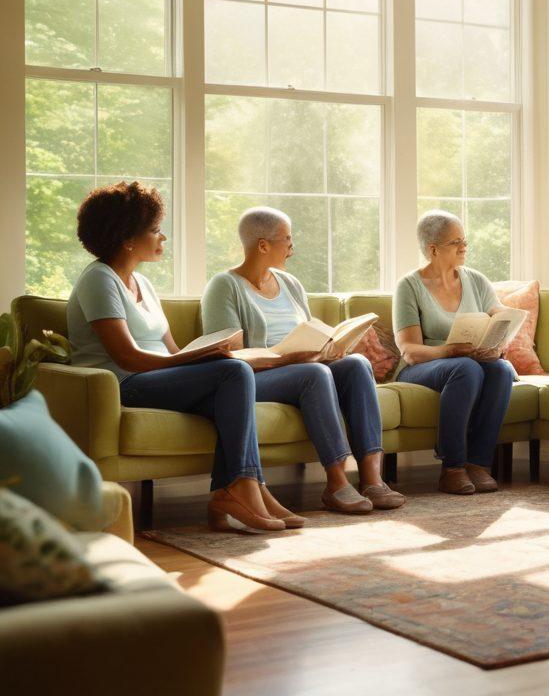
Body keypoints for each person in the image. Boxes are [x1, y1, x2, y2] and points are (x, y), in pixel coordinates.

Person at [66, 182, 286, 534]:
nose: (162, 237)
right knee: (233, 372)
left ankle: (245, 488)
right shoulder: (98, 279)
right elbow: (127, 357)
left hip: (157, 380)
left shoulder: (144, 284)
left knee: (231, 387)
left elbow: (172, 350)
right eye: (155, 229)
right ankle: (242, 487)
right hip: (125, 383)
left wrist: (204, 354)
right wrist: (195, 361)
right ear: (127, 238)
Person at [202, 207, 404, 515]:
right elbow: (230, 358)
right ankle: (336, 482)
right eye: (287, 240)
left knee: (356, 365)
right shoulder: (224, 286)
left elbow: (311, 333)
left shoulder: (291, 284)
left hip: (302, 367)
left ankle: (372, 479)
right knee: (314, 373)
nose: (292, 248)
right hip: (256, 377)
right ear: (263, 245)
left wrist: (330, 347)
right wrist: (288, 358)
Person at [391, 210, 515, 496]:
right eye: (455, 242)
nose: (464, 247)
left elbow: (500, 316)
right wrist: (449, 351)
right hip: (422, 366)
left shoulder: (477, 280)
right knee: (465, 368)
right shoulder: (409, 286)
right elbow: (409, 350)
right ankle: (453, 467)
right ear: (433, 249)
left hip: (468, 361)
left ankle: (478, 464)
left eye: (464, 241)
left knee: (501, 370)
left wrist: (498, 341)